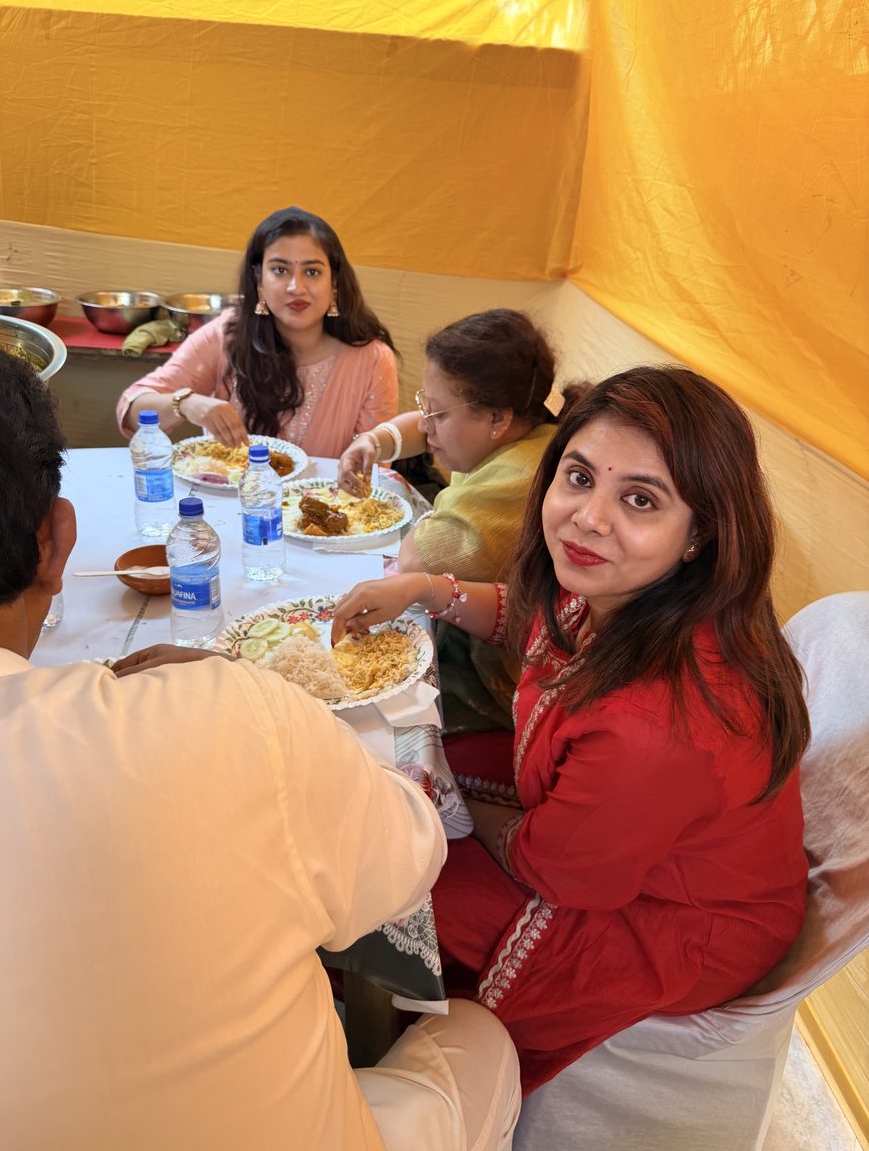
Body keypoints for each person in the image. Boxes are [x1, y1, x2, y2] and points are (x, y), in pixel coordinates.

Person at [0, 327, 520, 1149]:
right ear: (57, 538)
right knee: (483, 1043)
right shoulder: (233, 714)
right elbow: (400, 869)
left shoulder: (367, 363)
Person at [331, 365, 810, 1095]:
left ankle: (368, 1081)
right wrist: (430, 591)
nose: (589, 518)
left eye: (640, 500)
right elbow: (533, 624)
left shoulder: (659, 721)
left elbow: (560, 870)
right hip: (624, 829)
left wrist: (456, 807)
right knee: (401, 774)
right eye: (579, 478)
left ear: (700, 534)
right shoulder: (630, 594)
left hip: (670, 917)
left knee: (381, 875)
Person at [338, 309, 583, 733]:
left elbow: (416, 562)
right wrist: (373, 441)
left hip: (494, 686)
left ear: (497, 418)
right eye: (424, 406)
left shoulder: (521, 475)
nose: (426, 425)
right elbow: (421, 427)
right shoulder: (525, 427)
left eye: (438, 413)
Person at [116, 206, 399, 456]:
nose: (295, 288)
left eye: (312, 272)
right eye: (279, 270)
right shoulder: (226, 336)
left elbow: (374, 467)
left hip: (327, 512)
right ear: (259, 281)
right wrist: (186, 403)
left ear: (334, 282)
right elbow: (130, 411)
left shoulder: (372, 359)